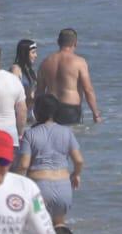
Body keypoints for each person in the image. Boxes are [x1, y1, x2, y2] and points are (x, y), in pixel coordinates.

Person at [14, 95, 83, 224]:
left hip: (38, 190)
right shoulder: (67, 132)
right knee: (59, 227)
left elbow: (23, 165)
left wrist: (17, 185)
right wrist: (76, 174)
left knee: (39, 228)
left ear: (36, 112)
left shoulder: (30, 134)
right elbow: (79, 160)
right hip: (64, 188)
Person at [38, 29, 100, 126]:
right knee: (70, 139)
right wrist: (96, 113)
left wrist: (37, 114)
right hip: (70, 109)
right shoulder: (79, 62)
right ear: (75, 43)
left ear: (58, 42)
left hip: (49, 110)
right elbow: (88, 90)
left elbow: (40, 91)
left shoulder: (45, 62)